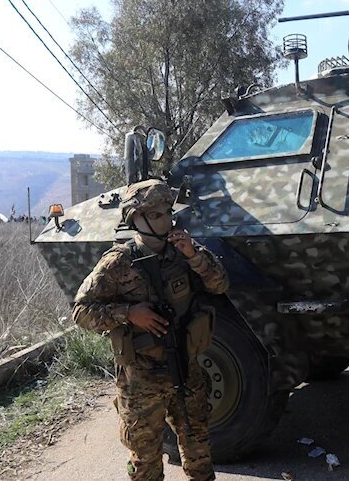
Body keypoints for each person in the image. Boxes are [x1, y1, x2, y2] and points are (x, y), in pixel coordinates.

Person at [72, 179, 229, 481]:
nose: (167, 220)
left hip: (185, 369)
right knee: (145, 464)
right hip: (141, 379)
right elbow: (81, 311)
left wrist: (194, 256)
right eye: (156, 215)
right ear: (136, 218)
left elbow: (221, 284)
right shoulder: (118, 262)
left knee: (200, 459)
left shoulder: (184, 251)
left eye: (168, 212)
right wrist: (128, 313)